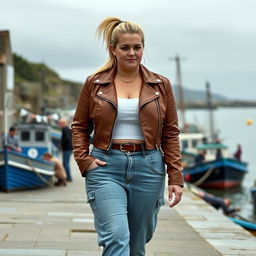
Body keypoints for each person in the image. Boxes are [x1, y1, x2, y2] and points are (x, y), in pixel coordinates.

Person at [71, 17, 183, 256]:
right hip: (105, 166)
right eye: (125, 47)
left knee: (136, 245)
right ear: (113, 49)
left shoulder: (161, 85)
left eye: (137, 47)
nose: (132, 53)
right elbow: (79, 126)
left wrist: (175, 176)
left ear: (143, 47)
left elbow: (171, 132)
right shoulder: (95, 83)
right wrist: (84, 160)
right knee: (117, 237)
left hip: (149, 167)